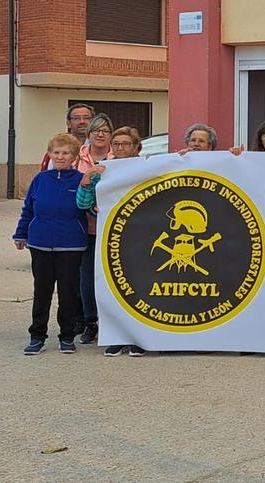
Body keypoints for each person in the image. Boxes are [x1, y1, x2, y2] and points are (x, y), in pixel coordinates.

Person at [77, 127, 147, 357]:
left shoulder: (148, 168)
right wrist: (87, 184)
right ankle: (116, 336)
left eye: (126, 144)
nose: (120, 148)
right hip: (109, 238)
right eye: (116, 144)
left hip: (139, 238)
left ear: (136, 147)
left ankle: (138, 338)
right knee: (111, 286)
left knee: (138, 287)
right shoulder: (103, 171)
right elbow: (83, 203)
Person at [15, 134, 88, 355]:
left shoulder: (81, 179)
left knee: (68, 293)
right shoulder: (40, 179)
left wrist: (88, 185)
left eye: (65, 153)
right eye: (56, 152)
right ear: (50, 154)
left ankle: (67, 336)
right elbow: (28, 208)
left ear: (75, 157)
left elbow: (89, 206)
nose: (60, 156)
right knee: (42, 292)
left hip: (71, 244)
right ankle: (37, 335)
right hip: (40, 243)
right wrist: (21, 233)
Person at [72, 113, 114, 344]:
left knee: (110, 276)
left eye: (105, 131)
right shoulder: (75, 158)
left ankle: (112, 323)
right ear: (88, 135)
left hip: (113, 230)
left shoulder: (120, 157)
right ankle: (89, 321)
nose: (100, 134)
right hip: (84, 228)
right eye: (96, 130)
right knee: (86, 277)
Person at [40, 103, 95, 170]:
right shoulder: (57, 148)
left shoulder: (100, 147)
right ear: (68, 123)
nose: (82, 121)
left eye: (86, 118)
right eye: (76, 118)